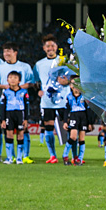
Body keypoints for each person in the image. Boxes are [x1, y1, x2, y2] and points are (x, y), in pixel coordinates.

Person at [0, 42, 35, 163]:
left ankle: (24, 156)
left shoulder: (24, 67)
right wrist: (3, 86)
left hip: (20, 103)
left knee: (23, 131)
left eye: (9, 51)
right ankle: (11, 156)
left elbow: (32, 82)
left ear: (15, 52)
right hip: (8, 106)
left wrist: (22, 86)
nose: (6, 54)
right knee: (8, 132)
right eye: (5, 51)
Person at [34, 34, 70, 164]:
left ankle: (70, 155)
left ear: (56, 47)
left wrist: (67, 82)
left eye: (52, 45)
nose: (50, 48)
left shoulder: (64, 61)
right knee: (48, 128)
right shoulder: (39, 64)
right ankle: (53, 155)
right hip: (47, 102)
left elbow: (73, 78)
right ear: (44, 48)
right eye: (48, 46)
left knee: (69, 127)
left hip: (64, 101)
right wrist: (38, 90)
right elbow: (36, 81)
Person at [62, 76, 94, 165]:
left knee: (81, 139)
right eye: (74, 83)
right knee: (72, 137)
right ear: (70, 86)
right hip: (73, 116)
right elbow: (66, 109)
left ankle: (79, 159)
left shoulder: (84, 95)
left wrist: (90, 122)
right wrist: (65, 121)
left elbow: (88, 110)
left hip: (83, 116)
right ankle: (65, 155)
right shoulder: (69, 96)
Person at [0, 71, 29, 164]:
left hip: (20, 114)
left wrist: (26, 119)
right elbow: (2, 107)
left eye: (15, 78)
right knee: (9, 135)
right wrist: (3, 120)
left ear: (19, 81)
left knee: (20, 135)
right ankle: (10, 158)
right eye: (10, 77)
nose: (12, 80)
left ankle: (19, 158)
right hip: (9, 114)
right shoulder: (5, 92)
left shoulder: (24, 92)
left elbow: (27, 106)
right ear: (7, 80)